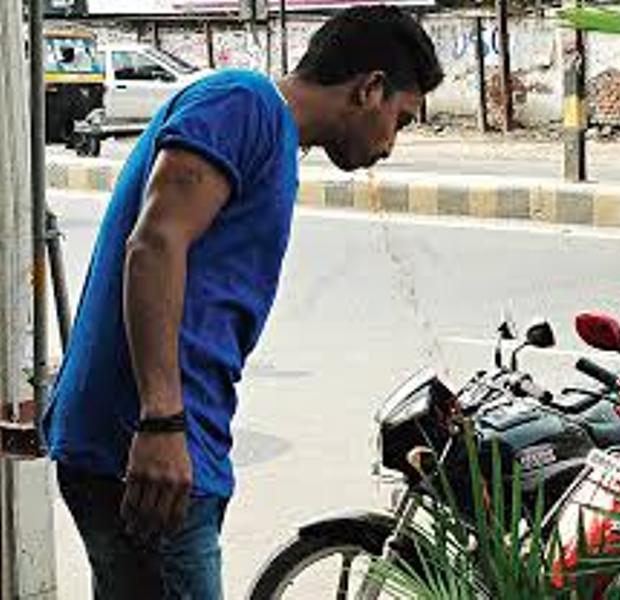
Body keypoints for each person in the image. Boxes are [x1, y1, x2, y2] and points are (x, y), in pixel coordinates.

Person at [42, 5, 443, 599]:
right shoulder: (244, 104)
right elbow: (155, 244)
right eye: (400, 120)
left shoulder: (270, 134)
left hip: (158, 443)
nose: (391, 145)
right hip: (150, 448)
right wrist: (161, 421)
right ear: (370, 88)